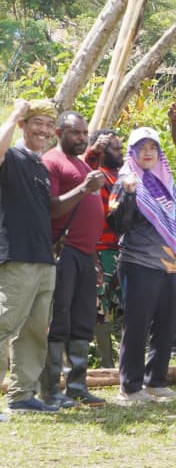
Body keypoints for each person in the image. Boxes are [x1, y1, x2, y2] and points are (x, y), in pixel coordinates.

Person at [108, 127, 176, 404]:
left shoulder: (166, 183)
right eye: (142, 148)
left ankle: (155, 381)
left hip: (171, 266)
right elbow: (115, 224)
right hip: (139, 263)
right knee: (137, 325)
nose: (147, 153)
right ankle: (131, 386)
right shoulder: (125, 181)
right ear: (133, 152)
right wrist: (129, 196)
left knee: (167, 324)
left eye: (152, 148)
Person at [0, 100, 64, 415]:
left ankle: (22, 395)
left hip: (43, 258)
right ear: (24, 125)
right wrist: (13, 114)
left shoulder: (39, 165)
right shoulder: (9, 156)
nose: (43, 129)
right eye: (36, 122)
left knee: (35, 330)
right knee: (4, 325)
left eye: (48, 125)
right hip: (17, 257)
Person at [41, 111, 108, 408]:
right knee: (59, 321)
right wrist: (84, 189)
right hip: (63, 252)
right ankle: (51, 389)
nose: (82, 138)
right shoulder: (52, 162)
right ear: (59, 133)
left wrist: (93, 257)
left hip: (84, 254)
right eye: (75, 133)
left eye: (84, 133)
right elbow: (52, 209)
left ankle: (77, 385)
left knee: (82, 320)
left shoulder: (81, 163)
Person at [84, 129, 124, 368]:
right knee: (100, 307)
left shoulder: (120, 175)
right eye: (115, 149)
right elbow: (83, 169)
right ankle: (104, 362)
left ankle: (120, 359)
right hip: (99, 249)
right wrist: (93, 150)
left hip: (121, 249)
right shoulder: (95, 175)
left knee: (119, 306)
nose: (120, 153)